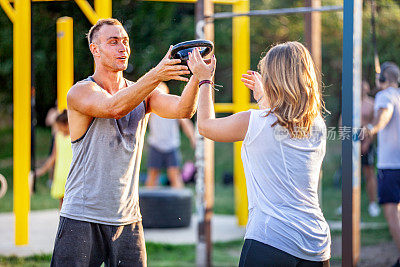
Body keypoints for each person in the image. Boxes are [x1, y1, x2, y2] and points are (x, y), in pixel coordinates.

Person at [51, 18, 201, 266]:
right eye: (113, 42)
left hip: (128, 218)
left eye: (125, 41)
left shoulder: (145, 94)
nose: (123, 47)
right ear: (95, 49)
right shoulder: (80, 92)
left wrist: (198, 77)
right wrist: (156, 74)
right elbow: (114, 107)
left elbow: (184, 109)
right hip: (82, 215)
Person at [188, 42, 330, 266]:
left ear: (274, 79)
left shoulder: (254, 122)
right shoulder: (318, 125)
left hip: (270, 241)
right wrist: (264, 98)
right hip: (316, 245)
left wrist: (204, 80)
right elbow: (280, 122)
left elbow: (205, 126)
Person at [365, 61, 400, 267]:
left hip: (391, 165)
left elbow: (383, 116)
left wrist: (370, 128)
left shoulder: (384, 96)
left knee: (390, 210)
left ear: (383, 80)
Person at [336, 80, 380, 217]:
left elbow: (374, 124)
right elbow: (342, 121)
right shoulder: (350, 102)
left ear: (367, 89)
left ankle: (373, 204)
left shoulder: (372, 104)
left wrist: (367, 142)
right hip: (351, 139)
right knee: (348, 173)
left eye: (363, 87)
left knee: (369, 173)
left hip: (366, 139)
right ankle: (346, 204)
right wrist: (345, 140)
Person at [145, 82, 196, 188]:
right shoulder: (151, 107)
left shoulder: (172, 106)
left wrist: (193, 138)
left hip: (171, 145)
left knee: (174, 174)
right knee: (153, 175)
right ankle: (148, 203)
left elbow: (185, 123)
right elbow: (142, 122)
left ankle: (179, 202)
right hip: (156, 144)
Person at [35, 110, 72, 209]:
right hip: (61, 173)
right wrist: (41, 171)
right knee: (62, 204)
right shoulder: (58, 136)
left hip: (72, 173)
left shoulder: (75, 136)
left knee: (73, 203)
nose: (58, 128)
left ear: (66, 124)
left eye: (59, 126)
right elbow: (53, 157)